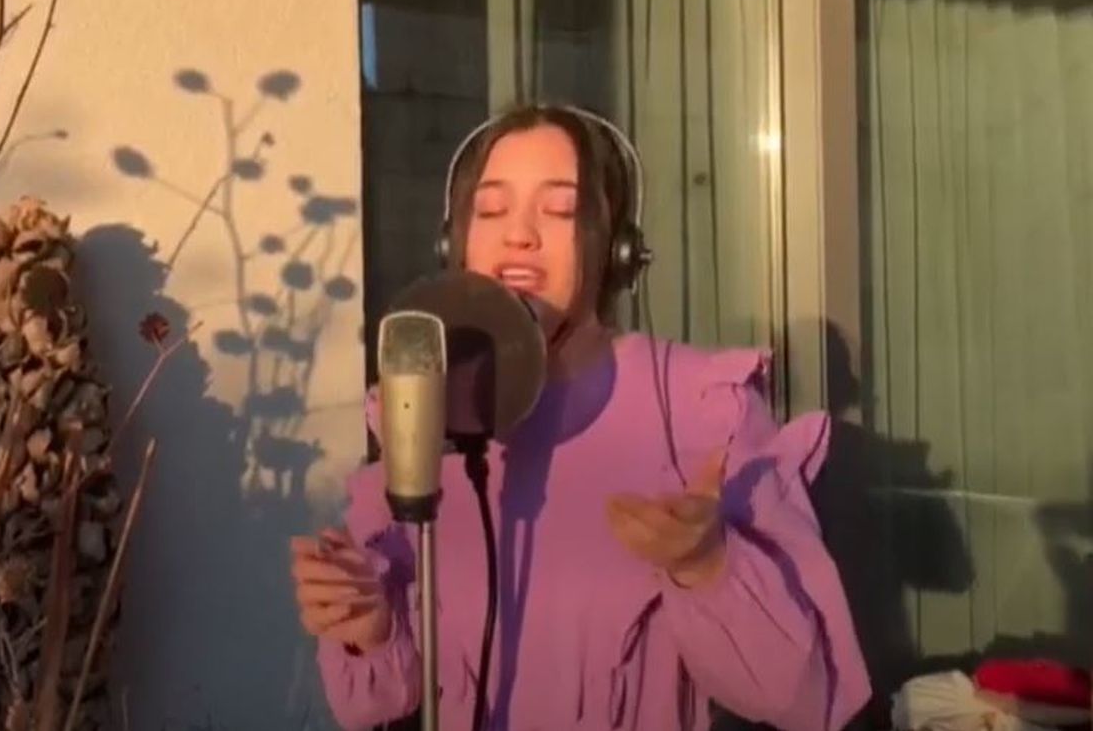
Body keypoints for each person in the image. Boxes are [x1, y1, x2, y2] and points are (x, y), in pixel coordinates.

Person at [290, 103, 871, 731]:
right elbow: (374, 701)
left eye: (560, 210)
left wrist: (707, 566)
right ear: (454, 243)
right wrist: (370, 626)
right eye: (491, 210)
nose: (519, 234)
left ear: (616, 249)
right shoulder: (427, 407)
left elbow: (805, 699)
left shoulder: (701, 406)